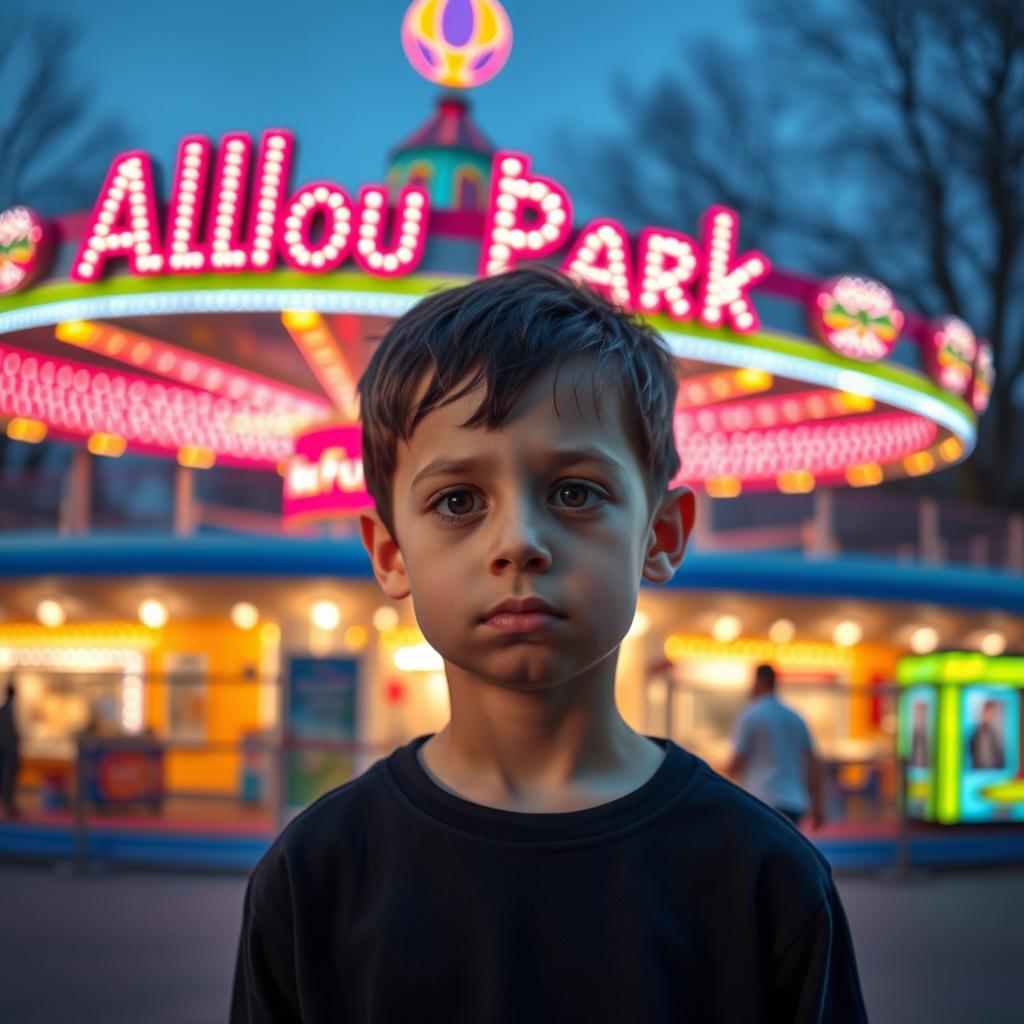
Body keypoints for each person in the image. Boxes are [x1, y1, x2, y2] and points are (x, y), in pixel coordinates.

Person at [231, 268, 867, 1022]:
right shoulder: (316, 875)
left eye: (574, 492)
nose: (520, 543)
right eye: (458, 501)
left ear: (660, 537)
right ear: (391, 554)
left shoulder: (768, 880)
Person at [727, 664, 826, 829]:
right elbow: (813, 762)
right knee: (786, 853)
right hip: (793, 802)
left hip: (760, 799)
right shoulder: (795, 717)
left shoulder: (750, 716)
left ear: (760, 681)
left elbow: (737, 762)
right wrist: (818, 804)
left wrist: (720, 772)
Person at [0, 681, 21, 817]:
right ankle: (8, 803)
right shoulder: (7, 711)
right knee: (7, 778)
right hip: (7, 751)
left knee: (8, 778)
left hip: (8, 751)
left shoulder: (7, 710)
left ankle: (9, 803)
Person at [969, 699, 1005, 770]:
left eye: (993, 713)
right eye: (989, 712)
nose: (991, 716)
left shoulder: (992, 732)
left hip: (992, 773)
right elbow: (982, 759)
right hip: (982, 773)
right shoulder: (979, 732)